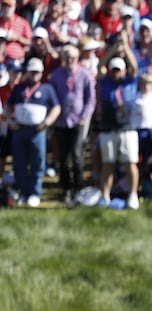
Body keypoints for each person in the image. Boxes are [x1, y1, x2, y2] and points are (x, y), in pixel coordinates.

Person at [6, 57, 61, 207]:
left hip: (38, 131)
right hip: (20, 129)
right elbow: (7, 104)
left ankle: (35, 193)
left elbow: (56, 107)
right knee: (20, 162)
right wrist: (10, 121)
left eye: (37, 72)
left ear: (41, 73)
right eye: (32, 72)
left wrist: (47, 123)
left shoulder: (46, 89)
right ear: (27, 72)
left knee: (37, 162)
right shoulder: (19, 88)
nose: (34, 75)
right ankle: (24, 192)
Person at [50, 44, 96, 205]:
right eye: (67, 57)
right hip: (61, 121)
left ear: (78, 58)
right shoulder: (55, 75)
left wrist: (84, 116)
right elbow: (52, 97)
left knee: (77, 156)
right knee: (63, 157)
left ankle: (78, 188)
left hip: (78, 121)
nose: (70, 60)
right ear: (63, 58)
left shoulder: (85, 74)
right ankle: (66, 189)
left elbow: (90, 99)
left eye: (73, 57)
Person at [95, 50, 139, 209]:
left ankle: (133, 195)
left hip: (127, 128)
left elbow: (134, 66)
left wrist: (126, 47)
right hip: (108, 128)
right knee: (108, 164)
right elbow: (100, 66)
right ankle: (105, 196)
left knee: (130, 163)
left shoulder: (130, 82)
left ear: (123, 71)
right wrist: (113, 49)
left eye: (118, 70)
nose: (115, 73)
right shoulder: (105, 83)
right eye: (113, 70)